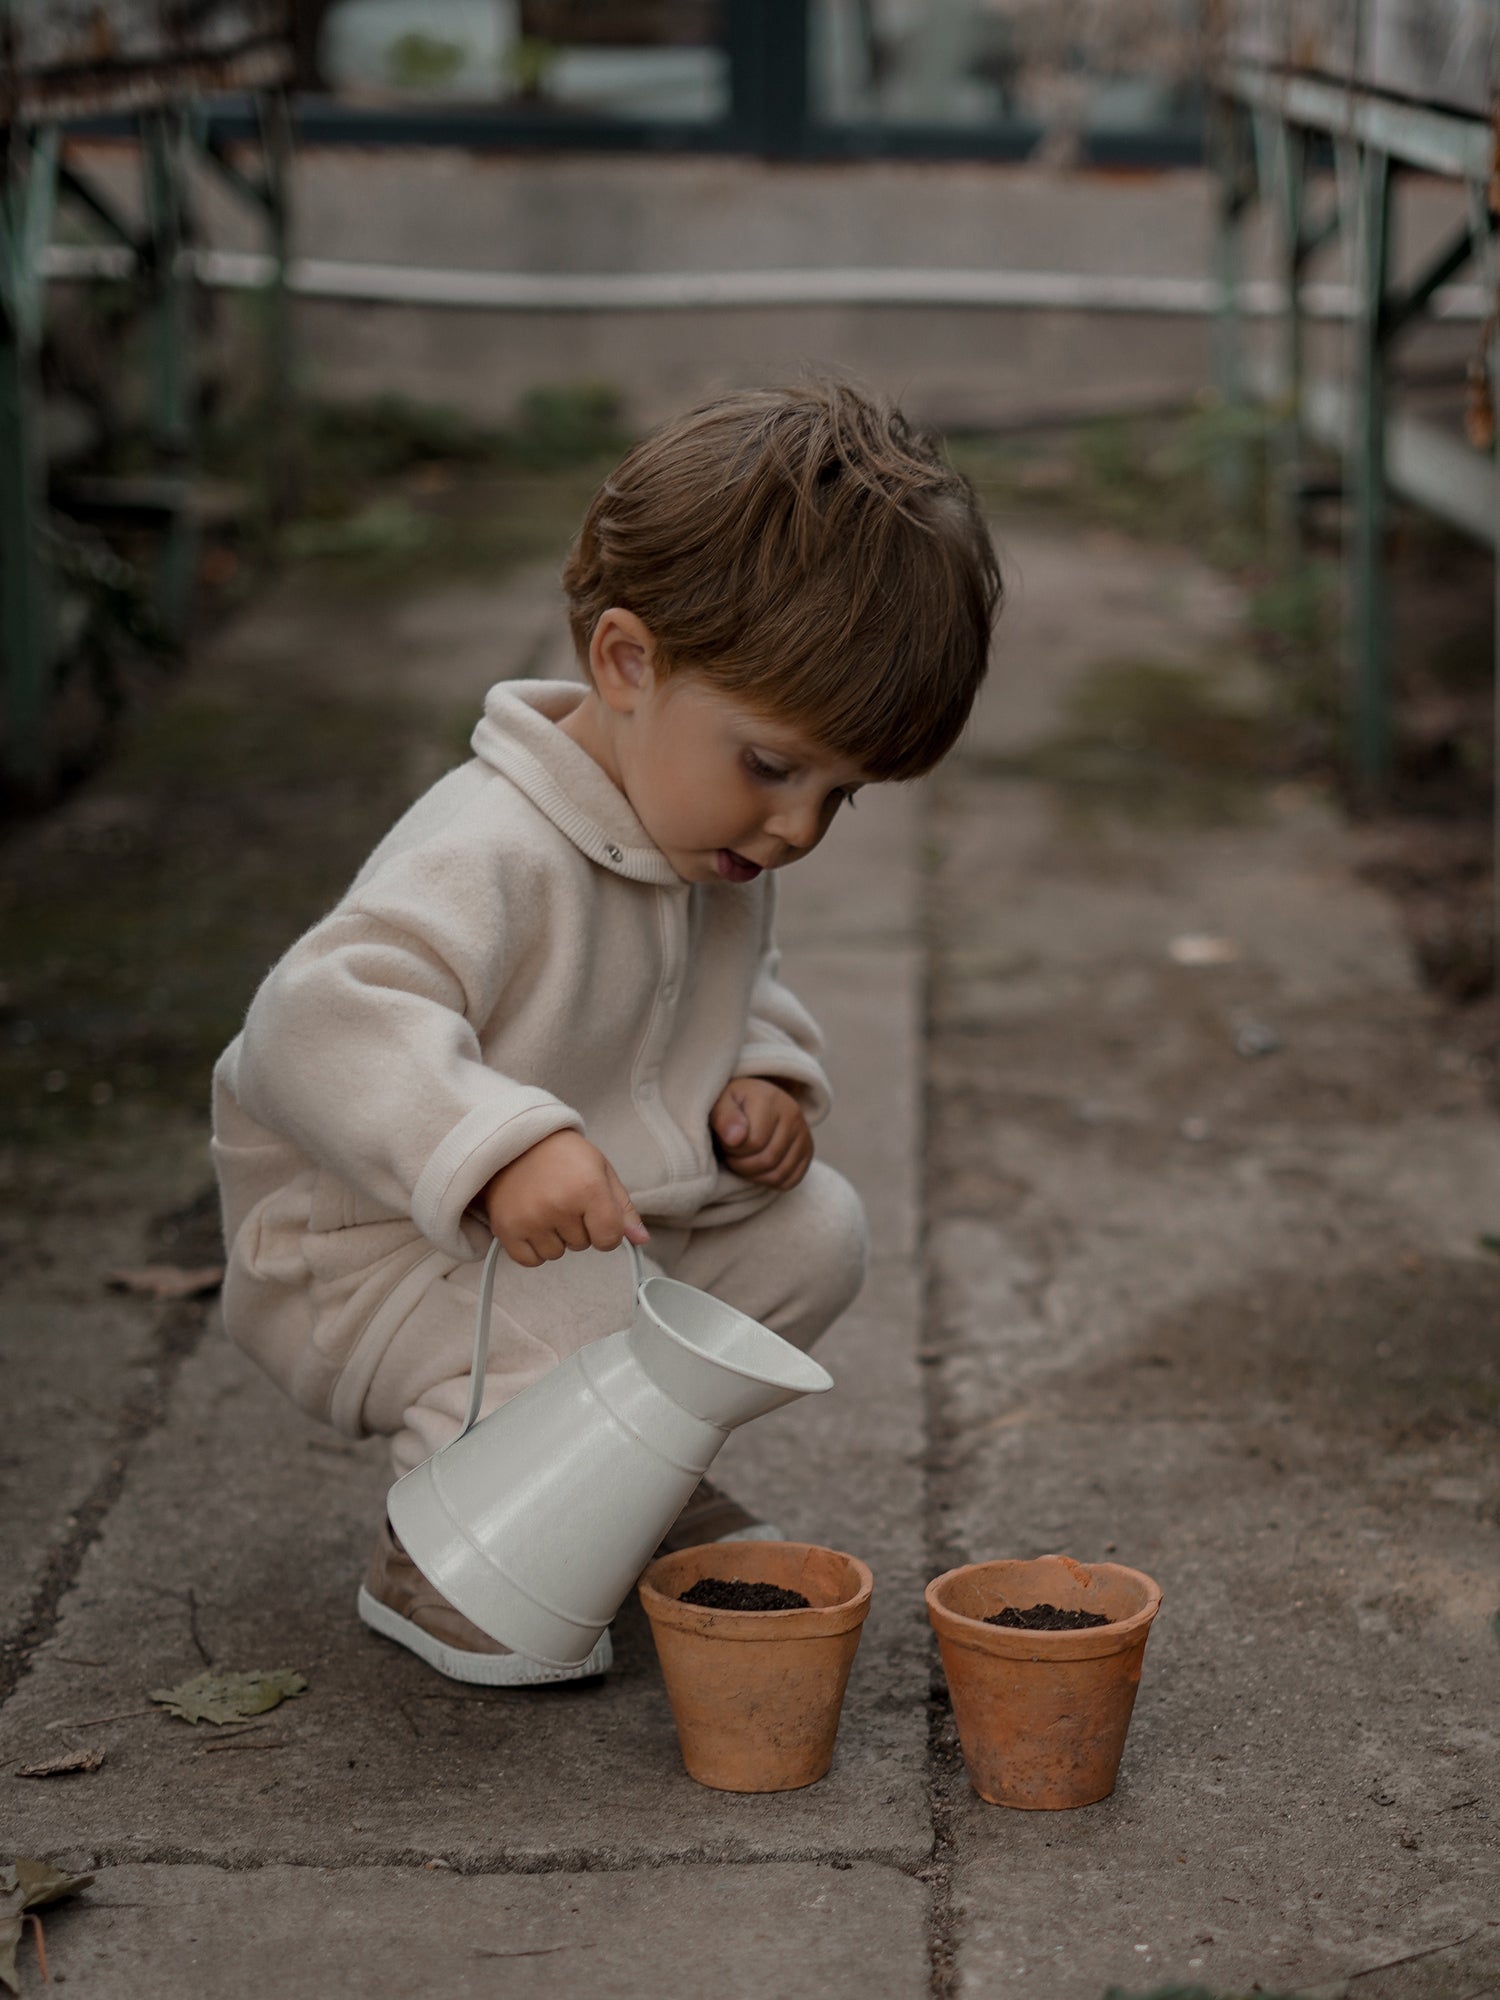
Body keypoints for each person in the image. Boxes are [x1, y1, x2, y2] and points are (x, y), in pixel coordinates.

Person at [211, 377, 1001, 1687]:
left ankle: (631, 1482)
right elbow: (311, 1023)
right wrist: (496, 1145)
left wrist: (762, 1079)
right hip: (375, 1253)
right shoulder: (492, 843)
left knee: (818, 1234)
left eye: (840, 794)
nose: (798, 826)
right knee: (583, 1305)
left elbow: (738, 989)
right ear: (629, 663)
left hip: (583, 1238)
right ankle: (442, 1552)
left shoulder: (704, 841)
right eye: (773, 766)